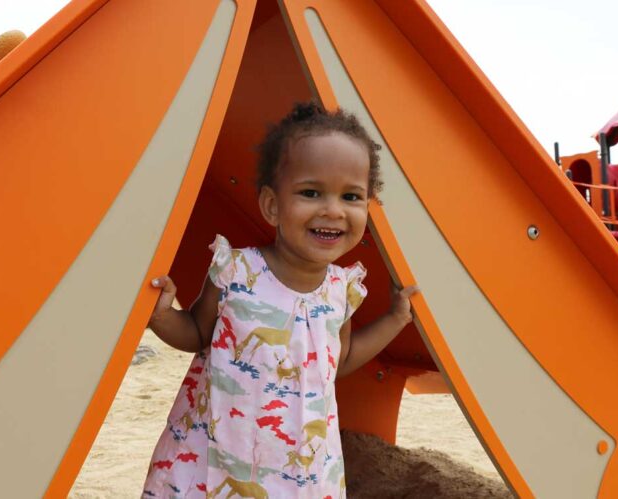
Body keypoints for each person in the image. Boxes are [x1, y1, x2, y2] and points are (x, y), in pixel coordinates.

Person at [142, 102, 418, 498]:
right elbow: (197, 332)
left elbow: (336, 361)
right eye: (311, 192)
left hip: (302, 470)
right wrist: (161, 316)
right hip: (218, 458)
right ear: (272, 206)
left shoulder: (340, 290)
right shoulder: (236, 271)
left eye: (351, 197)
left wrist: (395, 319)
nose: (333, 210)